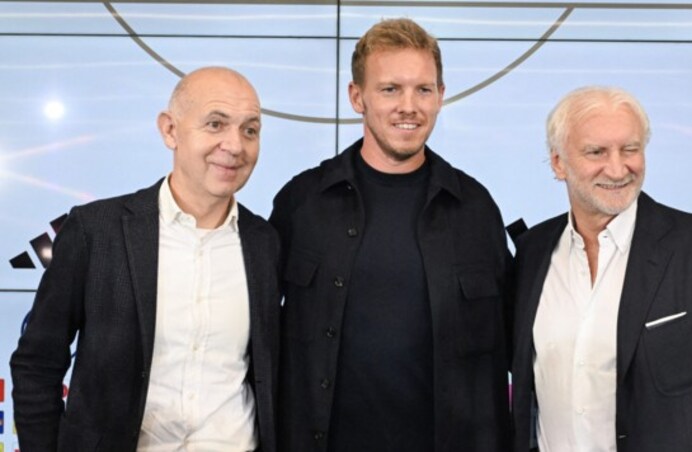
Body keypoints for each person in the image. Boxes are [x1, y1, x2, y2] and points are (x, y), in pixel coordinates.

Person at [269, 18, 511, 452]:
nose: (409, 106)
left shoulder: (475, 208)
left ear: (441, 95)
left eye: (423, 89)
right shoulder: (301, 203)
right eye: (390, 89)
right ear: (357, 97)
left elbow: (513, 343)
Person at [10, 66, 281, 452]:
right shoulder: (96, 230)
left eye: (250, 130)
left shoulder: (265, 243)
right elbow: (37, 362)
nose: (235, 145)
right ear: (170, 130)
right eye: (216, 124)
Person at [510, 86, 692, 451]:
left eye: (630, 149)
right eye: (596, 152)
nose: (618, 168)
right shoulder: (531, 253)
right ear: (558, 162)